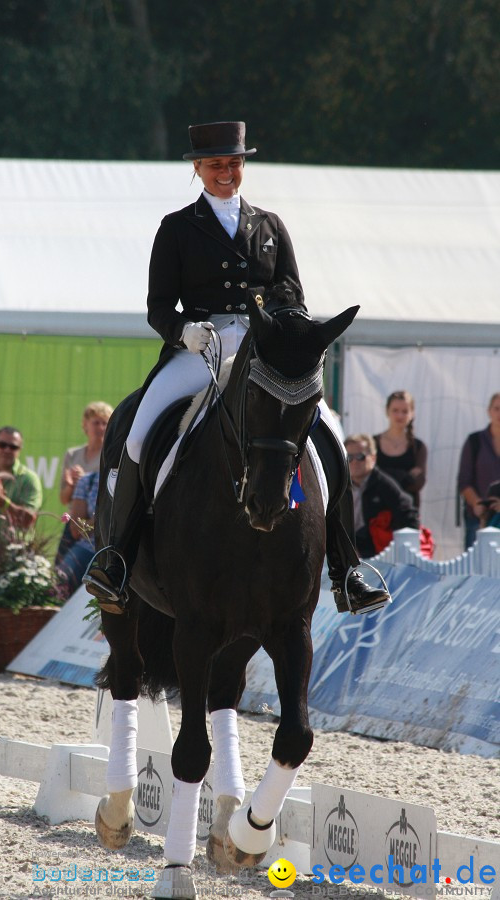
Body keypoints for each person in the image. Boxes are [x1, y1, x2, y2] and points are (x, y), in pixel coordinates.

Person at [84, 120, 391, 617]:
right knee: (140, 433)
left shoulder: (269, 225)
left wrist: (286, 330)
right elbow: (158, 306)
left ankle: (347, 567)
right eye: (216, 165)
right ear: (198, 170)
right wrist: (183, 330)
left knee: (329, 434)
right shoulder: (178, 228)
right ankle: (118, 557)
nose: (226, 172)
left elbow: (293, 294)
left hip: (264, 352)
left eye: (234, 163)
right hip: (199, 348)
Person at [345, 434, 420, 561]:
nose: (354, 462)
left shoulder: (384, 485)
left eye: (360, 456)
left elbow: (409, 514)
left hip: (378, 556)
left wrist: (397, 550)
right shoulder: (340, 485)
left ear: (373, 458)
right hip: (347, 551)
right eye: (349, 457)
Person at [55, 401, 113, 564]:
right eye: (96, 422)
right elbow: (64, 499)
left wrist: (85, 478)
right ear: (85, 425)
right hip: (74, 521)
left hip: (97, 525)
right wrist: (73, 485)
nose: (101, 427)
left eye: (105, 423)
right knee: (59, 571)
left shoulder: (110, 455)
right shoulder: (73, 455)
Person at [458, 392, 500, 549]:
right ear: (489, 411)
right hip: (477, 518)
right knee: (475, 568)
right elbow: (464, 480)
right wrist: (478, 505)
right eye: (496, 408)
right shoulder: (475, 441)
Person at [374, 390, 427, 509]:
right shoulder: (373, 443)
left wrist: (383, 474)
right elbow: (368, 479)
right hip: (376, 513)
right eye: (395, 410)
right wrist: (405, 475)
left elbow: (418, 483)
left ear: (412, 413)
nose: (400, 416)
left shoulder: (418, 447)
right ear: (387, 411)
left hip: (407, 512)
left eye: (405, 411)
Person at [57, 470, 99, 595]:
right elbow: (76, 531)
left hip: (124, 551)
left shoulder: (136, 477)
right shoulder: (88, 480)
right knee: (58, 582)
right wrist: (103, 516)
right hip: (88, 548)